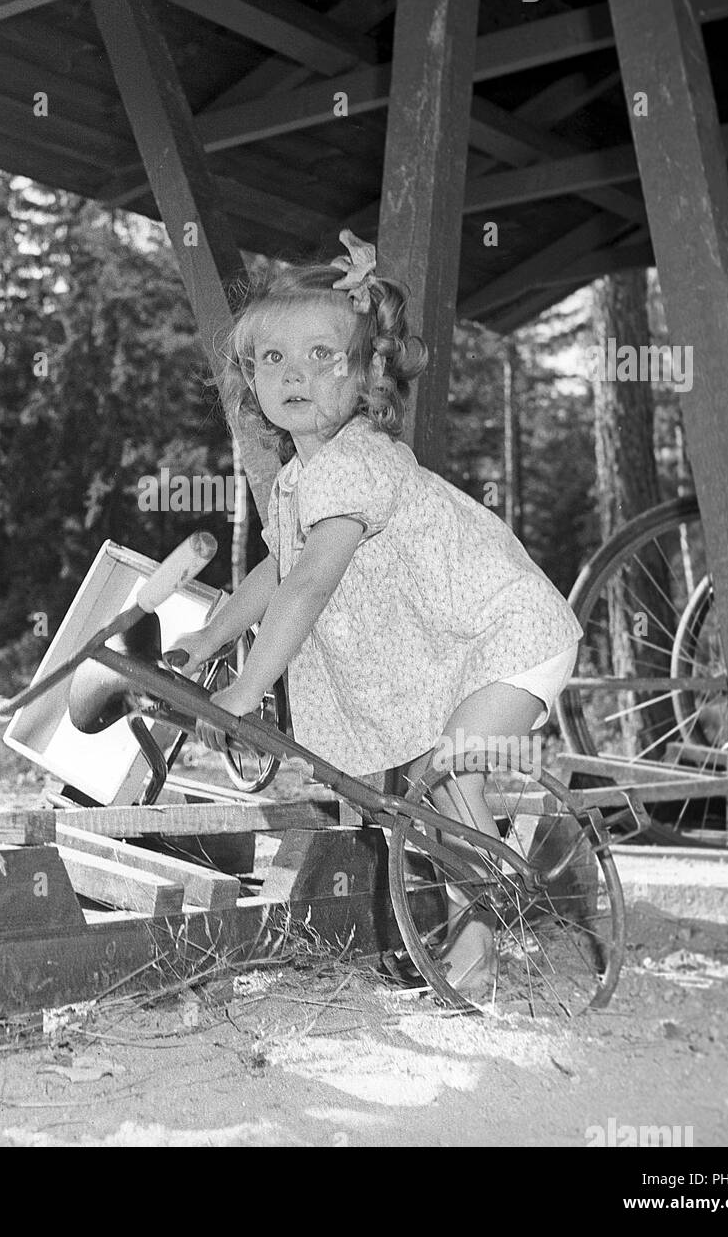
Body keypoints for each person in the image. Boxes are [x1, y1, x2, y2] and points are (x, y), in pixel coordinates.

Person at [169, 229, 582, 992]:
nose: (294, 374)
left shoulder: (355, 461)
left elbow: (307, 589)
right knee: (433, 789)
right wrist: (207, 637)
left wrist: (247, 688)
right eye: (272, 360)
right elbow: (276, 571)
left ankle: (485, 931)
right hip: (457, 646)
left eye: (322, 357)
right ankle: (478, 918)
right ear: (249, 380)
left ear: (365, 378)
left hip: (508, 632)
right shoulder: (302, 475)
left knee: (446, 774)